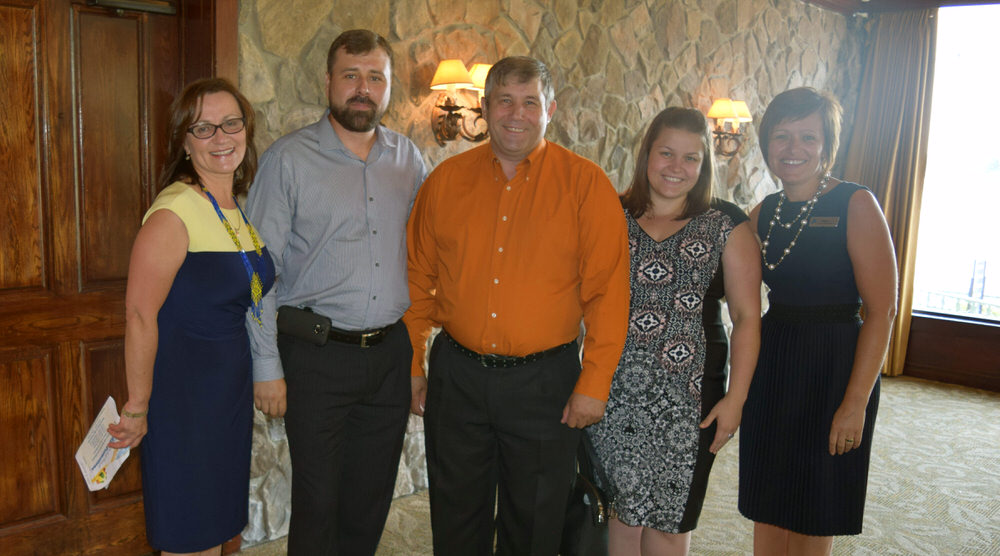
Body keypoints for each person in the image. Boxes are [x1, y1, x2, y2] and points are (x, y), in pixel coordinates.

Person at [404, 55, 630, 555]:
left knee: (534, 526)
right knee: (455, 514)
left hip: (544, 384)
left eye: (530, 102)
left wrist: (594, 383)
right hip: (457, 377)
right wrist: (413, 363)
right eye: (504, 100)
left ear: (550, 109)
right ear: (484, 107)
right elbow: (418, 280)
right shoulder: (444, 181)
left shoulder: (586, 186)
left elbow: (608, 294)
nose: (516, 113)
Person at [244, 29, 427, 556]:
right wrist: (266, 366)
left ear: (389, 87)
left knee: (370, 503)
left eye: (375, 78)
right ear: (328, 82)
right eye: (351, 76)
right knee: (318, 503)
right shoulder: (289, 160)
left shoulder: (410, 161)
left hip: (390, 355)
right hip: (315, 357)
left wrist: (416, 359)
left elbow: (429, 256)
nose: (362, 88)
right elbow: (258, 273)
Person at [108, 78, 276, 556]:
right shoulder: (175, 211)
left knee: (224, 530)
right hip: (185, 401)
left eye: (231, 123)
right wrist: (138, 406)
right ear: (183, 141)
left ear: (246, 130)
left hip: (227, 395)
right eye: (203, 128)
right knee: (193, 537)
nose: (221, 138)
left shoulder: (230, 210)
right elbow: (140, 314)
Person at [586, 107, 761, 555]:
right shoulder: (611, 213)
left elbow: (746, 318)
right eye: (666, 153)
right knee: (622, 515)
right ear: (647, 154)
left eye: (691, 159)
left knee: (670, 519)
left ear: (704, 166)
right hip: (614, 388)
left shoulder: (727, 223)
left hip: (689, 397)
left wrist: (736, 400)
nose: (676, 168)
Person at [738, 87, 897, 555]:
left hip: (834, 366)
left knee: (815, 500)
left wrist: (855, 404)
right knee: (770, 494)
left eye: (808, 137)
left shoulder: (856, 204)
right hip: (776, 362)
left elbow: (882, 311)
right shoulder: (764, 211)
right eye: (782, 137)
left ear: (828, 146)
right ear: (767, 144)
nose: (793, 150)